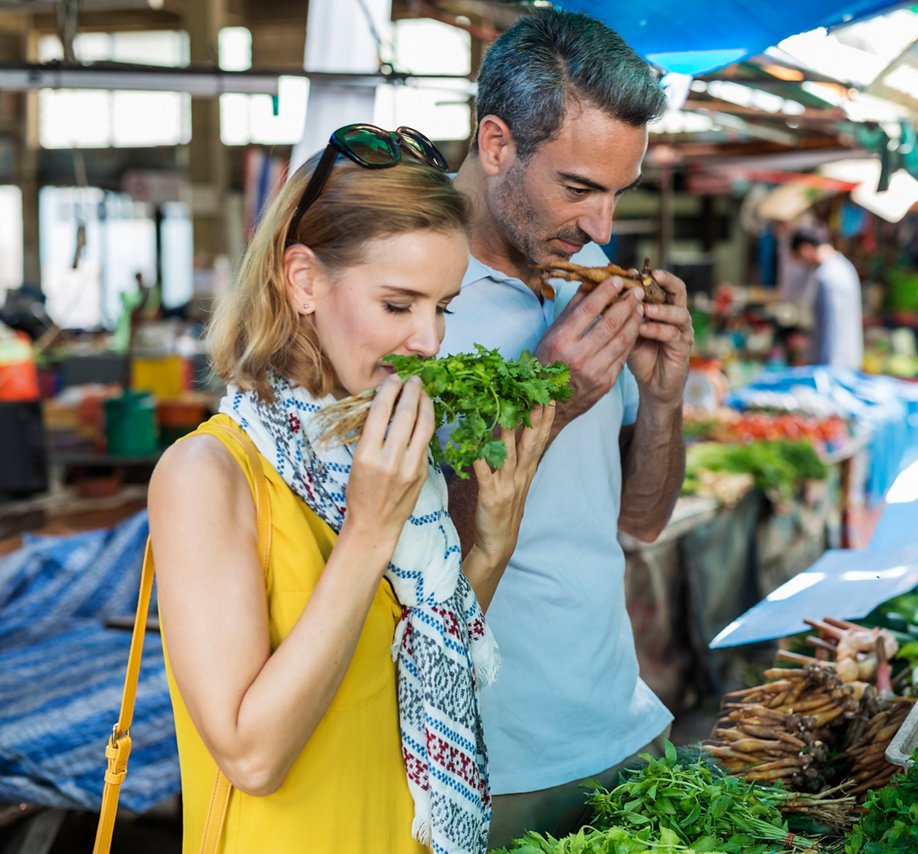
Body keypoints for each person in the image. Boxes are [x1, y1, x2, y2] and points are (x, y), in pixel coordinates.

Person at [148, 125, 554, 853]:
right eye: (399, 305)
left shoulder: (383, 449)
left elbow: (411, 666)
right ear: (303, 280)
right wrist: (368, 531)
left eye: (443, 307)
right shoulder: (207, 476)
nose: (429, 340)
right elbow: (252, 756)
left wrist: (489, 548)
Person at [440, 9, 693, 846]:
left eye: (619, 192)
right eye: (579, 187)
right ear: (497, 144)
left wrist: (662, 398)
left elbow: (642, 521)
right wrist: (547, 397)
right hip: (488, 757)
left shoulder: (585, 272)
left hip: (617, 722)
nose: (602, 230)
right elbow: (391, 552)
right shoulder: (406, 296)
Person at [789, 226, 863, 370]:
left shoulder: (827, 276)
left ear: (805, 249)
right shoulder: (843, 266)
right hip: (846, 361)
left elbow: (831, 327)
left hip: (833, 366)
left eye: (799, 259)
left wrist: (822, 366)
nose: (802, 265)